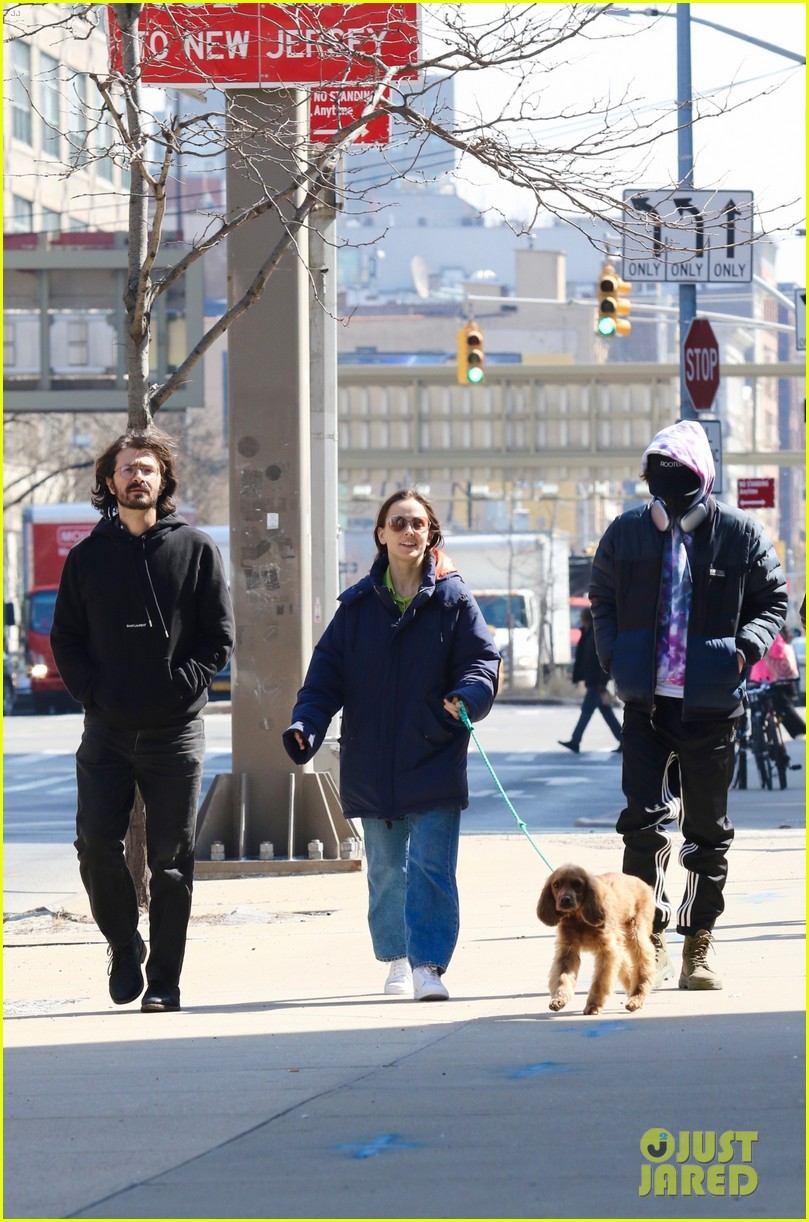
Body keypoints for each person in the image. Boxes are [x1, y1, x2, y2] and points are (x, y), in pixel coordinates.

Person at [589, 420, 787, 992]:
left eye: (679, 475)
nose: (668, 488)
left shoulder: (740, 533)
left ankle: (698, 940)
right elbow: (602, 596)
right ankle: (648, 934)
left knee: (706, 832)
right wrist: (613, 654)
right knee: (642, 828)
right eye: (659, 474)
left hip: (710, 707)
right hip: (646, 706)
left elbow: (773, 598)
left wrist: (743, 649)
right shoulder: (627, 532)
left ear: (703, 479)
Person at [282, 489, 500, 1001]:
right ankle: (397, 960)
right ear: (381, 535)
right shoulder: (356, 609)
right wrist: (306, 725)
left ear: (431, 535)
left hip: (434, 753)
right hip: (372, 758)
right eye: (397, 523)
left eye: (418, 524)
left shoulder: (454, 601)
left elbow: (482, 662)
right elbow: (324, 680)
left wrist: (468, 695)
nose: (408, 532)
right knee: (385, 870)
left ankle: (429, 967)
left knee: (430, 866)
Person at [51, 429, 235, 1012]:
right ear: (110, 482)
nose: (138, 477)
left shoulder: (197, 550)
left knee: (172, 862)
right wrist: (94, 693)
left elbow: (218, 638)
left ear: (163, 482)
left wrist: (182, 687)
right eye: (127, 469)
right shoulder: (86, 558)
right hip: (105, 730)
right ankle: (124, 943)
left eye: (148, 469)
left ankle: (165, 981)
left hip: (175, 733)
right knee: (95, 844)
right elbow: (67, 640)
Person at [559, 607, 623, 754]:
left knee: (587, 711)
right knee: (605, 712)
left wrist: (602, 681)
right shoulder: (588, 633)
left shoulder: (594, 635)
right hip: (593, 680)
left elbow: (601, 660)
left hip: (596, 681)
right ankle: (623, 739)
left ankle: (575, 740)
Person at [749, 629, 805, 738]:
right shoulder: (772, 631)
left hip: (757, 677)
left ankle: (756, 738)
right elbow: (778, 651)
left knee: (759, 707)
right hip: (771, 678)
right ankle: (799, 731)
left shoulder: (755, 630)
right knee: (781, 706)